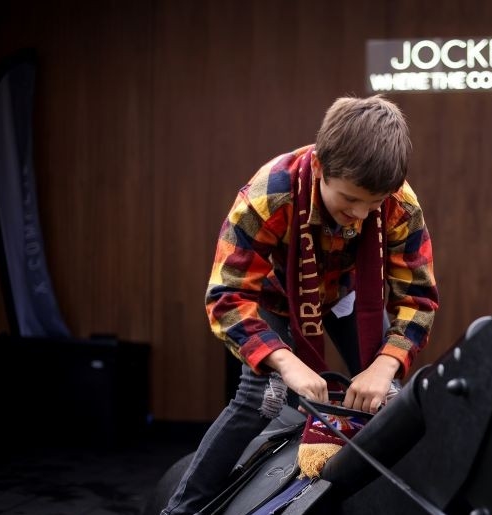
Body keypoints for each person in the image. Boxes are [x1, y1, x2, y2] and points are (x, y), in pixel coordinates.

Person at [162, 95, 439, 515]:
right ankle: (182, 509)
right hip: (276, 297)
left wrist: (383, 368)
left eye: (373, 204)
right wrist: (287, 364)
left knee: (392, 400)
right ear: (321, 169)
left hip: (351, 295)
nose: (361, 216)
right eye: (349, 200)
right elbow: (226, 297)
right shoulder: (269, 193)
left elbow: (417, 299)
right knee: (262, 395)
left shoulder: (399, 202)